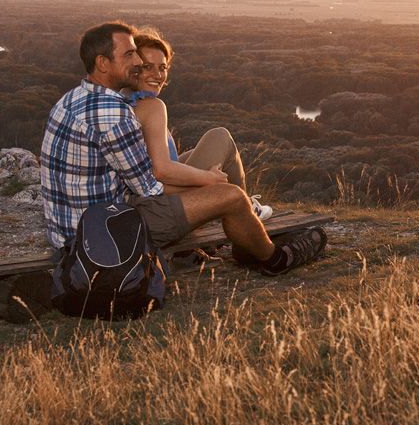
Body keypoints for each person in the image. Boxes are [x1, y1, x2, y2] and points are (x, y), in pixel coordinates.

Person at [40, 21, 323, 277]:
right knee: (232, 196)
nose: (138, 61)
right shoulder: (114, 115)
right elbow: (150, 188)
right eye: (130, 55)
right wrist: (210, 183)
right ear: (102, 63)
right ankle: (275, 259)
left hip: (76, 228)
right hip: (106, 234)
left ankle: (245, 229)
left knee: (214, 157)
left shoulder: (73, 98)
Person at [129, 26, 273, 220]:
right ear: (133, 67)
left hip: (149, 193)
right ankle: (244, 210)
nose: (158, 75)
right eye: (148, 67)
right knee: (220, 137)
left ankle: (242, 204)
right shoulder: (152, 106)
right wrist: (208, 179)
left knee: (211, 149)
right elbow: (159, 173)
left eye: (162, 67)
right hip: (162, 201)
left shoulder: (124, 99)